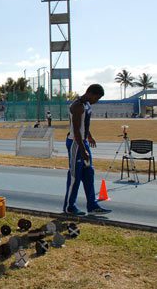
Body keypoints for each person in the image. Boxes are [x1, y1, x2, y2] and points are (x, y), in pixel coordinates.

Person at [64, 84, 112, 216]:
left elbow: (84, 124)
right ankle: (69, 206)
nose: (96, 101)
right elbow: (76, 130)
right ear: (90, 93)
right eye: (96, 98)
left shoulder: (87, 105)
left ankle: (92, 205)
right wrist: (83, 149)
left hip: (83, 142)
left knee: (89, 173)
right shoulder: (77, 106)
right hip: (75, 143)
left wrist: (89, 137)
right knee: (75, 176)